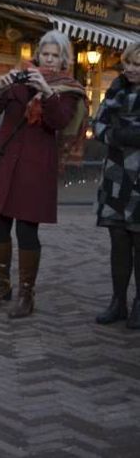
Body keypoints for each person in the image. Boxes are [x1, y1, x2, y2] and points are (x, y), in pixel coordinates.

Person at [0, 31, 87, 318]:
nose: (49, 60)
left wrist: (48, 93)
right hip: (6, 162)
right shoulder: (20, 78)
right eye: (46, 54)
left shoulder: (69, 89)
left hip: (35, 167)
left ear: (64, 59)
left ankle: (27, 294)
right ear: (38, 54)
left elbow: (59, 121)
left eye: (55, 56)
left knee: (27, 231)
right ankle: (1, 285)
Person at [93, 41, 140, 328]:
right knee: (118, 242)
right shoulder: (113, 91)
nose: (132, 69)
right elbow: (98, 126)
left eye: (138, 64)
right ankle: (118, 302)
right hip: (115, 178)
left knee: (139, 243)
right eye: (129, 63)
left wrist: (120, 133)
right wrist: (123, 134)